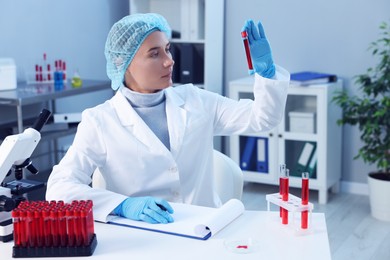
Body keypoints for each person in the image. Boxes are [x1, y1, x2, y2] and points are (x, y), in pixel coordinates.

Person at [46, 13, 289, 224]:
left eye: (168, 49)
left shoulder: (196, 100)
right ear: (123, 63)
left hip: (206, 228)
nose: (169, 60)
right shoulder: (99, 121)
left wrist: (266, 73)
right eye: (154, 54)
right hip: (142, 237)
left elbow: (263, 118)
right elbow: (59, 188)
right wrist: (122, 205)